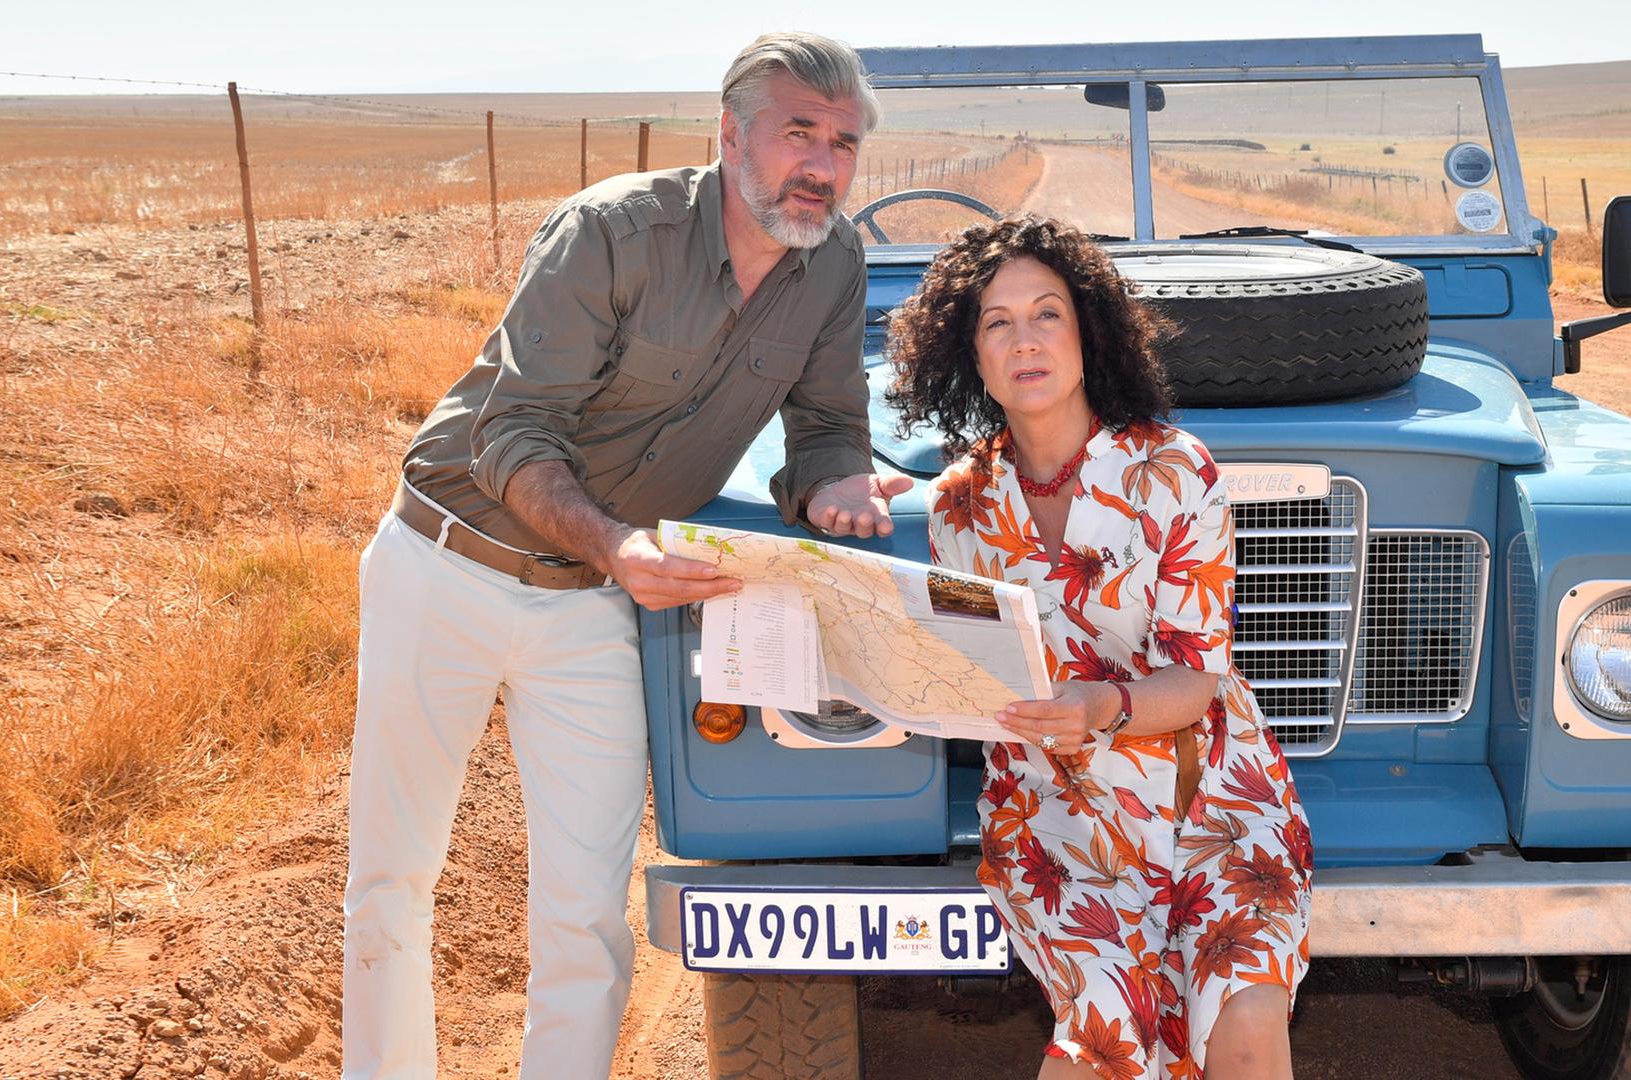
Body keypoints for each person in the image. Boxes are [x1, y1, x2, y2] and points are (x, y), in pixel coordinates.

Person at [342, 32, 909, 1080]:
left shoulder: (834, 263)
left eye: (842, 143)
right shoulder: (611, 231)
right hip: (448, 564)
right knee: (393, 880)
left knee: (587, 907)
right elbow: (512, 434)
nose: (822, 165)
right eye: (798, 133)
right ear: (730, 134)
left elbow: (828, 424)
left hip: (596, 604)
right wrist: (616, 544)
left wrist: (836, 482)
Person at [887, 216, 1313, 1080]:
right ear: (971, 356)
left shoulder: (1175, 470)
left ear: (1089, 333)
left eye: (1047, 314)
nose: (1026, 340)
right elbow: (968, 669)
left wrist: (1100, 704)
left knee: (1247, 1021)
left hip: (1208, 794)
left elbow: (1196, 677)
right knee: (1103, 1033)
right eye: (998, 323)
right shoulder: (958, 508)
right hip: (1056, 815)